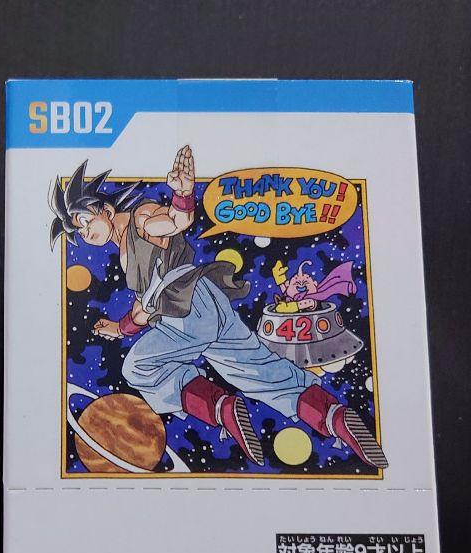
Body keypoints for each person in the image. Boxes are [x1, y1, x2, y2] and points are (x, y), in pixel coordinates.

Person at [50, 148, 387, 468]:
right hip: (208, 301)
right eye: (78, 231)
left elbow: (174, 221)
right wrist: (119, 328)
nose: (85, 232)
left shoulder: (140, 219)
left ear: (106, 210)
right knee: (260, 371)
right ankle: (333, 417)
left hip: (185, 312)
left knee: (138, 367)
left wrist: (183, 195)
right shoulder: (126, 246)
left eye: (84, 221)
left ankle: (220, 407)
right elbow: (144, 307)